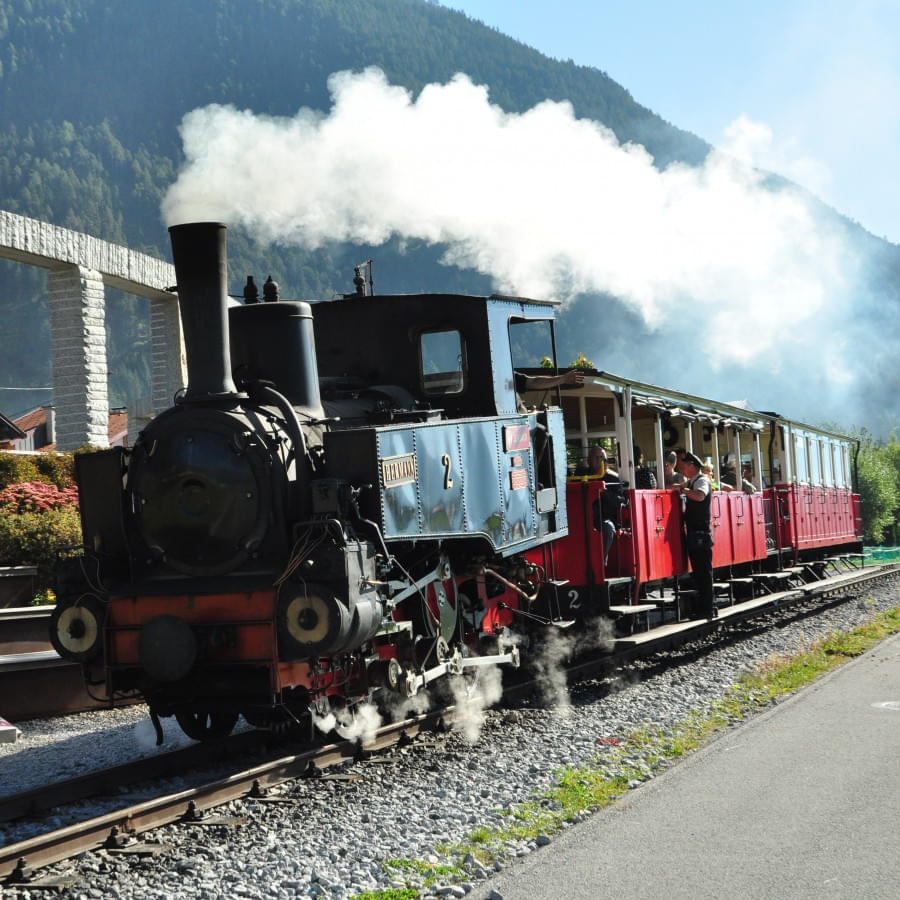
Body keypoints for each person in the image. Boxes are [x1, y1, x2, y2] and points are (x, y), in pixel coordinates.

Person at [678, 451, 716, 619]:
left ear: (692, 466)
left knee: (703, 573)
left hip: (700, 533)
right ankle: (705, 608)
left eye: (685, 466)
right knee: (700, 573)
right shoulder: (693, 481)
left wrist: (684, 490)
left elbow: (700, 496)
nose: (683, 469)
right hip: (696, 533)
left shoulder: (701, 481)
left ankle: (707, 609)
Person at [586, 446, 623, 567]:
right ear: (589, 460)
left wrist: (604, 492)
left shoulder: (613, 478)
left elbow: (619, 501)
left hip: (604, 518)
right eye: (596, 457)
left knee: (608, 527)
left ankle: (600, 562)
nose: (600, 460)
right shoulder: (582, 475)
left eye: (602, 457)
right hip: (584, 517)